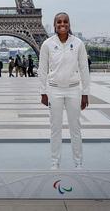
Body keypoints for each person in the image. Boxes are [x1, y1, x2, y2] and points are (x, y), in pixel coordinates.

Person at [38, 12, 90, 170]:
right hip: (54, 90)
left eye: (65, 22)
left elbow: (84, 68)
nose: (62, 24)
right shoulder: (47, 44)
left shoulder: (78, 43)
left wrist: (85, 93)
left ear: (69, 24)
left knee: (75, 128)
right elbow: (42, 69)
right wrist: (43, 91)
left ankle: (78, 162)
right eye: (59, 22)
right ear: (54, 24)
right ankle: (55, 162)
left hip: (74, 90)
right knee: (55, 129)